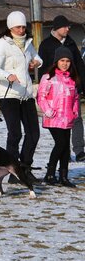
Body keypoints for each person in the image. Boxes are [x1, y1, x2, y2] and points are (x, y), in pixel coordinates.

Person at [0, 10, 42, 184]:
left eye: (23, 26)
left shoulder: (27, 43)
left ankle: (24, 168)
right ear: (11, 27)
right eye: (18, 27)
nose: (22, 30)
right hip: (8, 94)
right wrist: (7, 75)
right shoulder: (3, 44)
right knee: (15, 133)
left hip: (25, 94)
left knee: (34, 133)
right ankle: (12, 171)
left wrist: (37, 62)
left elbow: (37, 58)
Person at [38, 15, 85, 162]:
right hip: (55, 92)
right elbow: (43, 69)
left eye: (68, 26)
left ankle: (79, 150)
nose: (68, 29)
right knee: (59, 124)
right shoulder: (46, 44)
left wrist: (81, 85)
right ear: (57, 27)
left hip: (72, 87)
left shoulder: (70, 42)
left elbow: (79, 65)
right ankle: (62, 151)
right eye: (65, 26)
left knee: (76, 118)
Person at [37, 46, 79, 188]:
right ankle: (49, 174)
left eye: (68, 61)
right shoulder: (48, 77)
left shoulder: (72, 79)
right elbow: (41, 97)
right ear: (56, 61)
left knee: (66, 147)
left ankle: (63, 176)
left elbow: (75, 98)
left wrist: (75, 112)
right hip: (53, 117)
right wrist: (48, 111)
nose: (65, 63)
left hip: (67, 118)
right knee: (60, 144)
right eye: (62, 60)